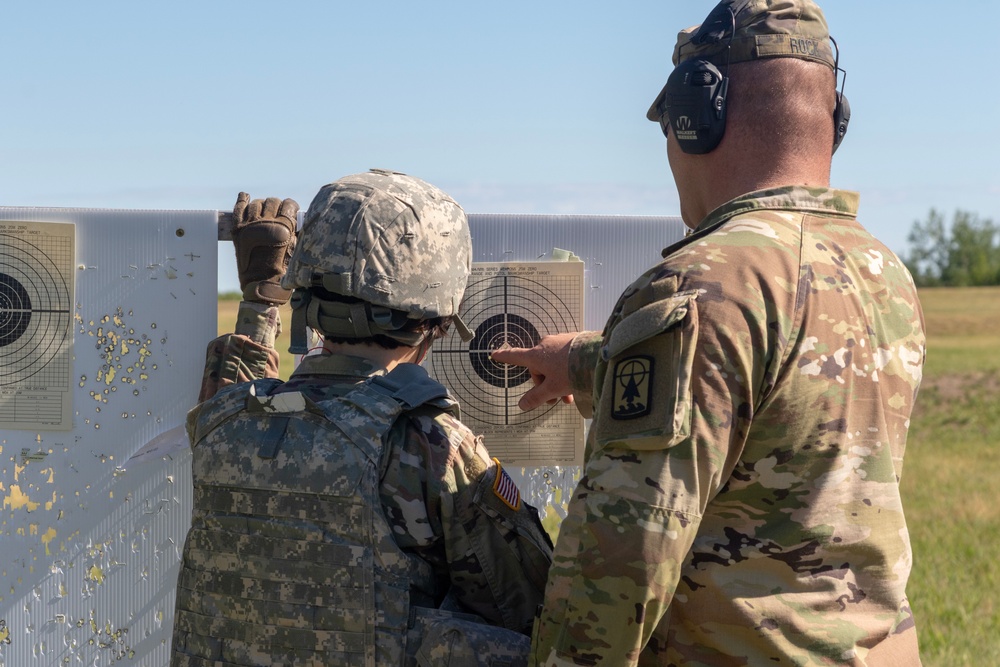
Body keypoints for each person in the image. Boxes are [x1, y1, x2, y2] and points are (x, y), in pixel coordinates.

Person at [492, 1, 926, 664]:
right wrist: (587, 362)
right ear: (831, 121)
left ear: (699, 115)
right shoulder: (880, 271)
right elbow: (776, 387)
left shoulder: (702, 283)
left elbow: (615, 570)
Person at [170, 169, 553, 667]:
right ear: (435, 319)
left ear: (307, 296)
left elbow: (233, 387)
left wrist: (260, 298)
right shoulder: (431, 442)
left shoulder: (224, 423)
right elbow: (527, 600)